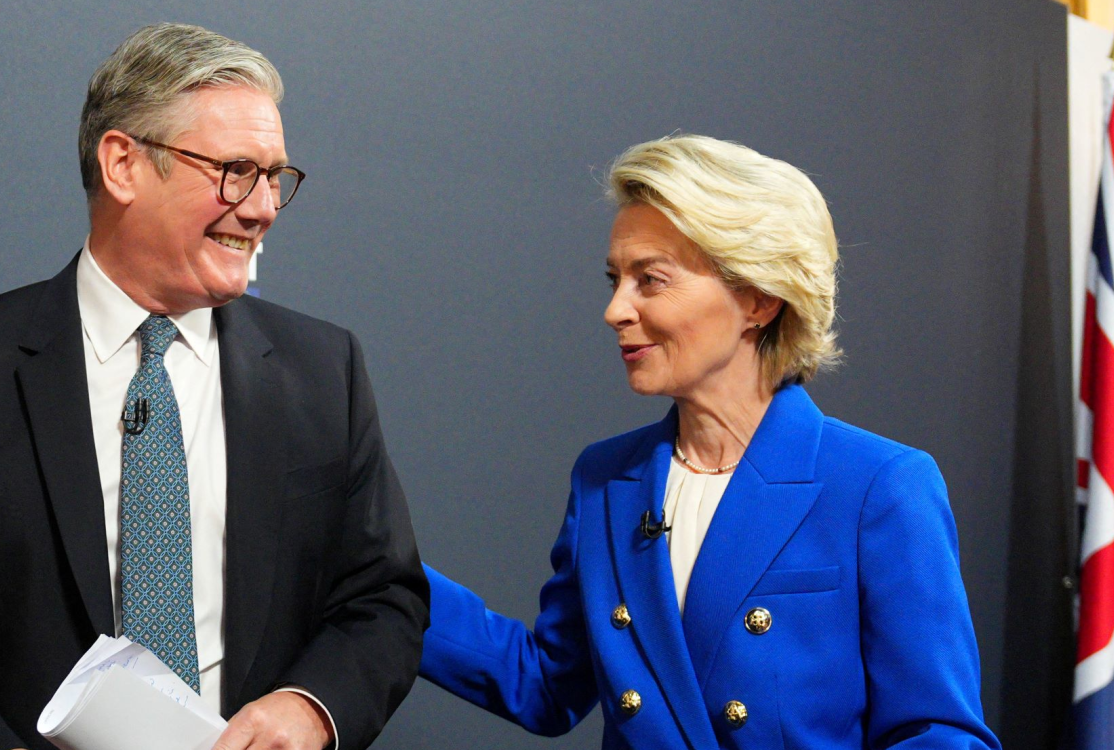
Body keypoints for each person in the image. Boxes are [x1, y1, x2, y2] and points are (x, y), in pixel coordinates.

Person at [0, 23, 427, 750]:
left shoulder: (323, 369)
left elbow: (384, 598)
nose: (264, 206)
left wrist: (312, 708)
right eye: (235, 170)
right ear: (122, 164)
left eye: (276, 176)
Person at [418, 135, 1000, 749]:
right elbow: (545, 685)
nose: (616, 309)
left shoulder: (878, 485)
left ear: (757, 298)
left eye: (651, 280)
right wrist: (372, 571)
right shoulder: (605, 481)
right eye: (616, 279)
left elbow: (939, 733)